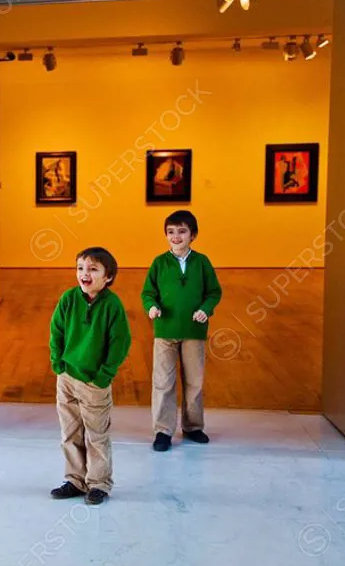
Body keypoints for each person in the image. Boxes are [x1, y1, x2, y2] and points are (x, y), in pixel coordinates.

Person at [49, 247, 132, 506]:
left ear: (108, 277)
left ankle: (98, 483)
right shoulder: (68, 299)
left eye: (93, 269)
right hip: (67, 378)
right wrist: (58, 363)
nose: (85, 274)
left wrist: (103, 375)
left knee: (96, 435)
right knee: (70, 432)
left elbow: (120, 343)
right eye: (80, 268)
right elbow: (56, 331)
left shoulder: (112, 306)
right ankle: (75, 479)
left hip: (94, 382)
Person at [142, 210, 223, 452]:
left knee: (195, 381)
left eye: (182, 231)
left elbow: (214, 292)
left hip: (194, 331)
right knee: (163, 382)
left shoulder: (202, 262)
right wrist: (151, 306)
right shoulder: (159, 263)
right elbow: (148, 292)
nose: (176, 237)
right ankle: (163, 430)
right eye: (170, 232)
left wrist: (206, 309)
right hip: (165, 331)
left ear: (193, 235)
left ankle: (193, 426)